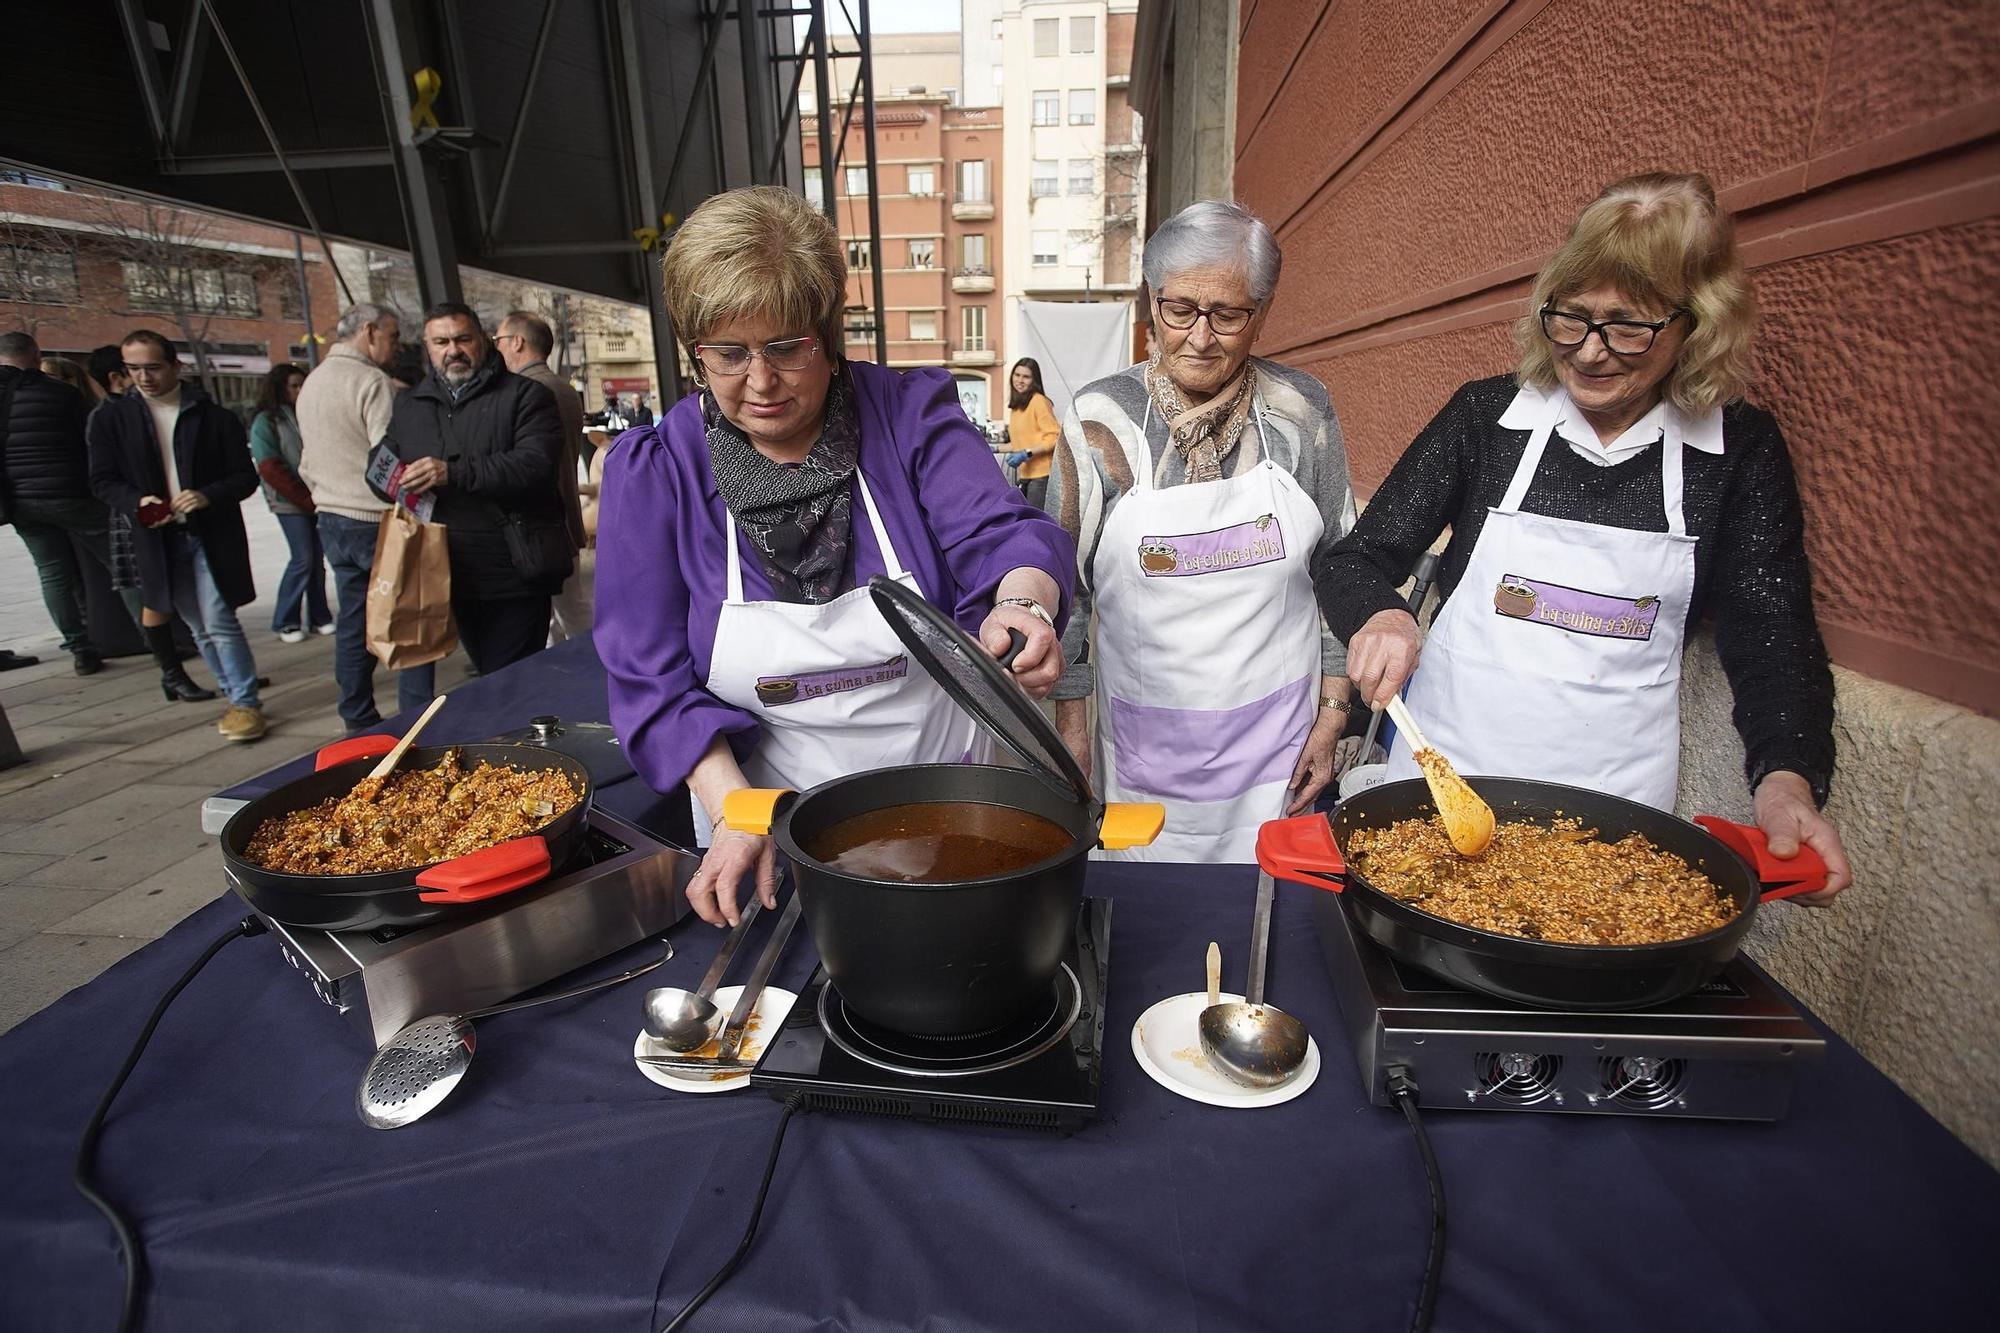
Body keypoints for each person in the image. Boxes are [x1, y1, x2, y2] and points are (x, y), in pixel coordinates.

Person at [1317, 171, 1851, 901]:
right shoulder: (1489, 419)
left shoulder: (1736, 452)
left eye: (1628, 327)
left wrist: (1786, 777)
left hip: (1617, 825)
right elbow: (1355, 557)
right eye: (1570, 318)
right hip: (1439, 795)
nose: (1590, 351)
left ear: (1697, 322)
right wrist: (1380, 613)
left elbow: (1773, 636)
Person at [596, 186, 1074, 926]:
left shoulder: (907, 416)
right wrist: (737, 811)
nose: (760, 382)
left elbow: (1002, 534)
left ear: (830, 331)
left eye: (788, 347)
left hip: (945, 813)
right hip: (760, 836)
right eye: (728, 353)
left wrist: (1023, 603)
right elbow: (647, 679)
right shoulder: (659, 469)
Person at [1041, 200, 1357, 862]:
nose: (1200, 336)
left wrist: (1332, 715)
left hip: (1278, 753)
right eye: (1179, 308)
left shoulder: (1302, 414)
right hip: (1141, 753)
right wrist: (1072, 736)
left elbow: (1340, 569)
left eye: (1228, 314)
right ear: (1151, 303)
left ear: (1262, 313)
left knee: (1268, 935)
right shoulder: (1100, 420)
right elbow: (1066, 592)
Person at [86, 329, 266, 739]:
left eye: (152, 367)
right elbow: (101, 480)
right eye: (133, 369)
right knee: (197, 625)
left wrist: (206, 495)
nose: (143, 377)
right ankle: (233, 694)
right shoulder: (112, 418)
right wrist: (137, 502)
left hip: (210, 533)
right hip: (158, 539)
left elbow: (243, 477)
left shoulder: (212, 417)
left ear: (174, 366)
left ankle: (244, 701)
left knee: (219, 619)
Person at [375, 302, 570, 675]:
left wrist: (453, 473)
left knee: (511, 678)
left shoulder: (526, 395)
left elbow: (535, 464)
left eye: (463, 339)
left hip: (514, 568)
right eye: (441, 341)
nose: (453, 350)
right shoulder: (410, 403)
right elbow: (380, 463)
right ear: (427, 347)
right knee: (486, 674)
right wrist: (395, 480)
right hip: (445, 570)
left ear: (482, 340)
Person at [296, 303, 434, 733]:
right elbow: (388, 455)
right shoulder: (371, 381)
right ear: (370, 332)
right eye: (392, 337)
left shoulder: (312, 381)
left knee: (353, 623)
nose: (396, 348)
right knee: (411, 620)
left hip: (330, 517)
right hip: (373, 519)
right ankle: (417, 720)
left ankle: (356, 715)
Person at [1, 332, 144, 676]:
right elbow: (93, 443)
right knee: (121, 563)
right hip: (72, 495)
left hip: (19, 501)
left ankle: (80, 648)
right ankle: (155, 636)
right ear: (35, 355)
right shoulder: (61, 394)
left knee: (52, 575)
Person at [495, 310, 590, 641]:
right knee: (571, 608)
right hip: (563, 521)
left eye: (499, 341)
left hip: (540, 526)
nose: (497, 349)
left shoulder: (526, 392)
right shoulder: (562, 388)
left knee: (549, 620)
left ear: (517, 342)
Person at [249, 362, 330, 642]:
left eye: (302, 384)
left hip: (315, 495)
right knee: (303, 557)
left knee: (316, 559)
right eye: (294, 386)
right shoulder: (267, 421)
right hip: (288, 500)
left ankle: (320, 616)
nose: (300, 390)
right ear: (280, 389)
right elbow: (270, 467)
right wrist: (305, 498)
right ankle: (286, 619)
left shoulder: (307, 414)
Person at [1003, 358, 1060, 510]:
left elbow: (1054, 437)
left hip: (1042, 476)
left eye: (1026, 377)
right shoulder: (1017, 408)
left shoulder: (1038, 401)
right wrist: (993, 448)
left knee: (1036, 524)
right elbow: (1019, 443)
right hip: (1026, 475)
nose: (1020, 380)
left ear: (1034, 380)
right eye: (1017, 375)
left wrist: (1026, 453)